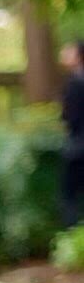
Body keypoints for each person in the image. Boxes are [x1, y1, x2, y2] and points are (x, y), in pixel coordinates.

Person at [59, 39, 84, 228]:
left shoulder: (74, 84)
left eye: (69, 51)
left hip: (77, 146)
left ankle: (73, 237)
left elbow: (68, 117)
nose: (64, 54)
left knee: (69, 195)